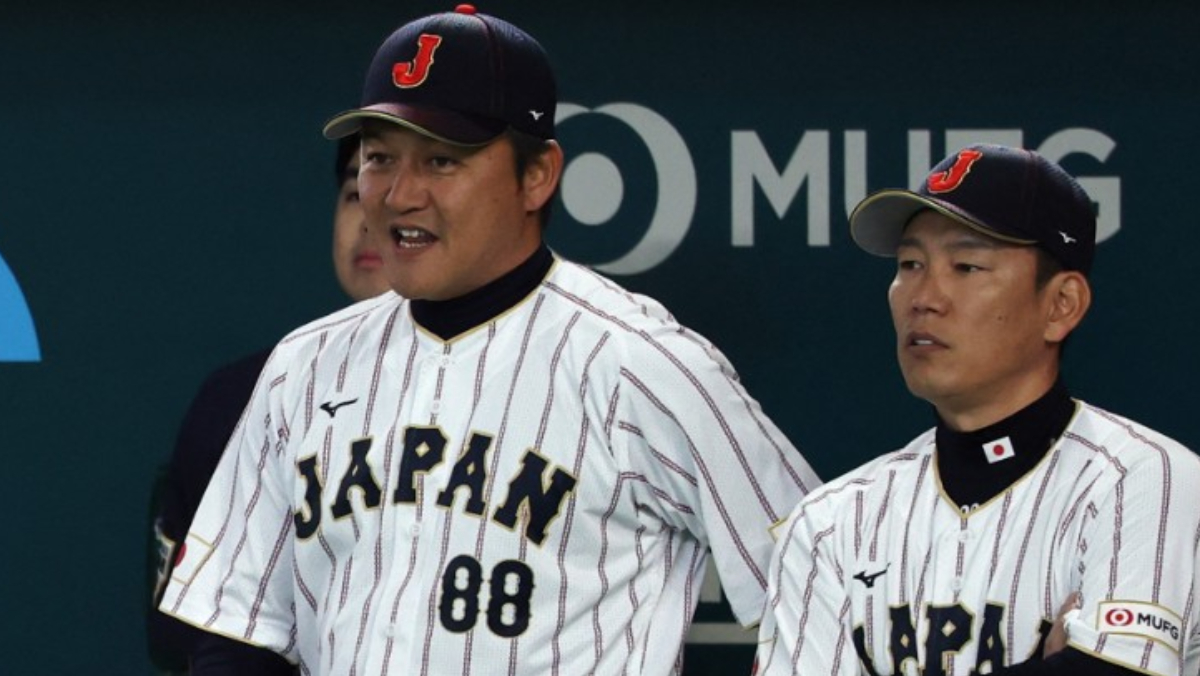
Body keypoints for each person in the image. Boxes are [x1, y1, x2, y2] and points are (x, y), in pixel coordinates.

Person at [157, 5, 820, 675]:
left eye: (441, 160)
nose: (400, 194)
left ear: (537, 176)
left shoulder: (642, 363)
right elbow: (240, 633)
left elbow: (823, 589)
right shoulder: (303, 368)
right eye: (379, 158)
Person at [753, 143, 1200, 675]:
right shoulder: (832, 523)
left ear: (1062, 305)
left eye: (966, 266)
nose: (924, 297)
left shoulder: (1142, 479)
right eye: (910, 264)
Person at [146, 133, 390, 674]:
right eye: (356, 192)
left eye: (405, 189)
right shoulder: (245, 396)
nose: (372, 218)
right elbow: (192, 636)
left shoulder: (549, 383)